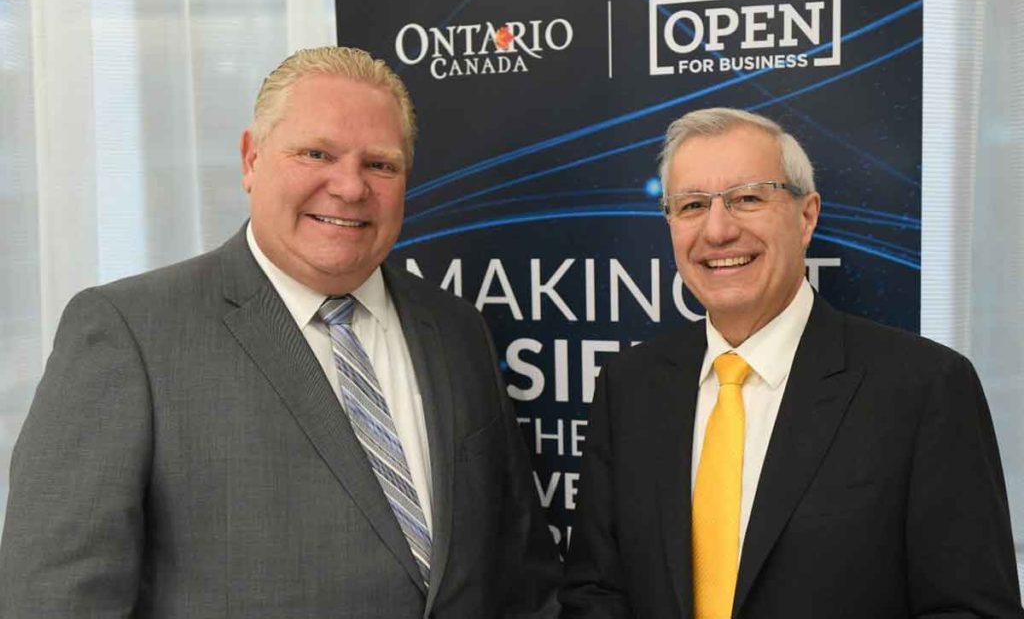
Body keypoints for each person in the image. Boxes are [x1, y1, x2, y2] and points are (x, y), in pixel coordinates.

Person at [0, 46, 560, 618]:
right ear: (251, 159)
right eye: (317, 153)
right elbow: (53, 601)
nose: (349, 187)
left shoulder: (455, 330)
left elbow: (521, 576)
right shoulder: (130, 334)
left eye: (380, 164)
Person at [560, 108, 1023, 618]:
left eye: (748, 198)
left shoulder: (924, 388)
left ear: (807, 217)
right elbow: (596, 592)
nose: (717, 232)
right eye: (692, 205)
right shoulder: (631, 387)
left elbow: (971, 611)